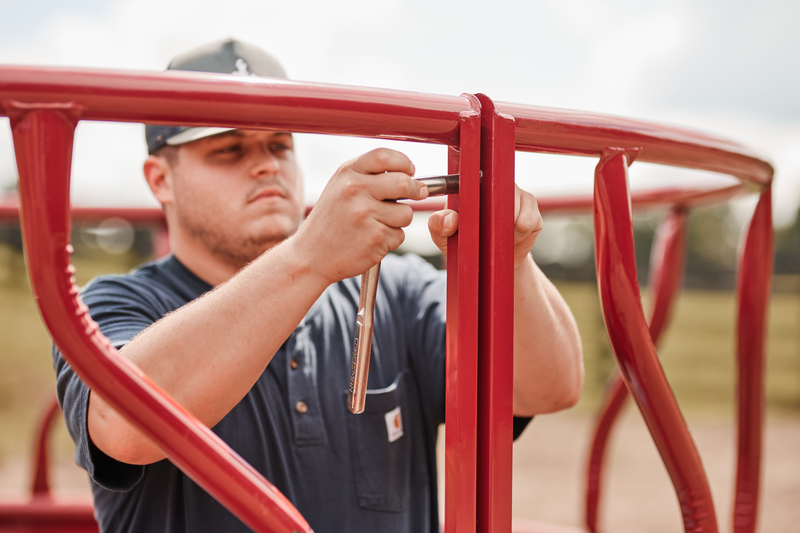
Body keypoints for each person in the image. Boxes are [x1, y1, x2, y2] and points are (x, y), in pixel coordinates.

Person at [53, 38, 583, 533]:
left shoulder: (400, 288)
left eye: (279, 145)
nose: (265, 166)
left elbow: (550, 387)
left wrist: (510, 263)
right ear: (160, 179)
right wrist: (310, 256)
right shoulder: (115, 304)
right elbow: (124, 427)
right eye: (229, 149)